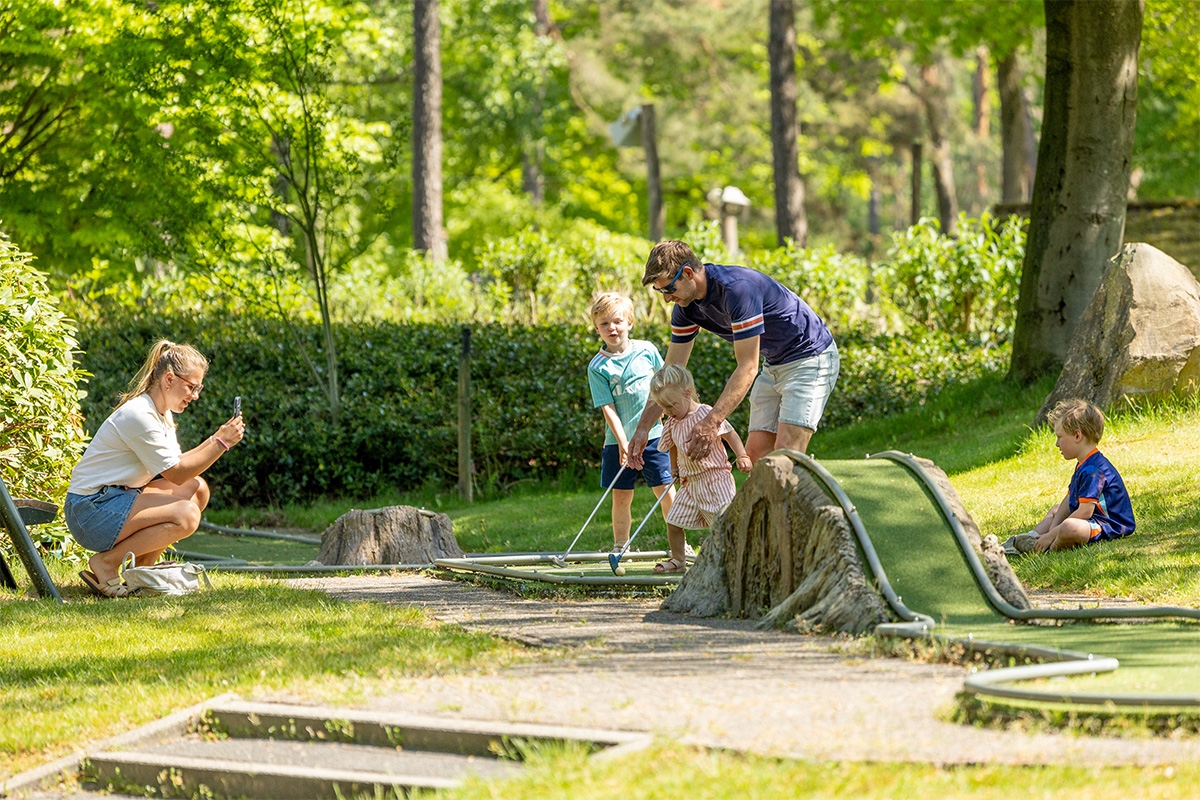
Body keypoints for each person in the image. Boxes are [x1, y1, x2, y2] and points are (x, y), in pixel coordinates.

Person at [626, 240, 839, 474]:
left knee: (786, 455)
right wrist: (643, 428)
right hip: (775, 363)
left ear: (687, 273)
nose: (666, 298)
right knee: (757, 458)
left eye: (668, 289)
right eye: (660, 291)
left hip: (810, 357)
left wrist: (711, 422)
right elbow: (669, 374)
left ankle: (802, 508)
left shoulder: (737, 290)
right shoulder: (686, 309)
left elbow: (748, 366)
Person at [65, 340, 245, 597]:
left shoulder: (161, 413)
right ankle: (107, 563)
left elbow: (180, 466)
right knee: (187, 515)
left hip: (116, 499)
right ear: (169, 379)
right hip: (89, 511)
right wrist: (221, 442)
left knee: (198, 489)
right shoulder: (139, 415)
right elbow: (176, 473)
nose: (195, 396)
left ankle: (144, 570)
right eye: (192, 387)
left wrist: (217, 438)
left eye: (199, 388)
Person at [586, 292, 676, 555]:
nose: (612, 328)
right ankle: (620, 546)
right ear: (596, 328)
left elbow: (664, 386)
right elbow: (608, 408)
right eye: (604, 324)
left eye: (617, 321)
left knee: (665, 490)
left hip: (655, 437)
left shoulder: (647, 350)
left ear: (629, 322)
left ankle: (679, 546)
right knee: (621, 496)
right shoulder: (597, 366)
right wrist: (624, 442)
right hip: (617, 442)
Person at [649, 364, 752, 574]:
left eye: (671, 405)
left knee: (723, 522)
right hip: (689, 483)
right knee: (673, 521)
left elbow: (729, 434)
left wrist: (742, 455)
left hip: (715, 478)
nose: (668, 411)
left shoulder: (706, 414)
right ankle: (678, 560)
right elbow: (672, 446)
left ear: (687, 393)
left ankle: (732, 559)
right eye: (663, 407)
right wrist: (674, 468)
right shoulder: (672, 422)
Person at [1004, 399, 1135, 555]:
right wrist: (1052, 529)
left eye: (1059, 437)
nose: (1057, 444)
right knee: (1056, 510)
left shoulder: (1093, 470)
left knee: (1069, 527)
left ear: (1077, 435)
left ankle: (1047, 549)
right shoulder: (1083, 463)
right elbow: (1069, 499)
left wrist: (1051, 535)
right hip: (1091, 519)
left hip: (1107, 524)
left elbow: (1085, 512)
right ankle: (1030, 539)